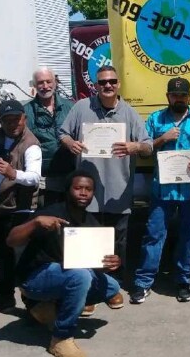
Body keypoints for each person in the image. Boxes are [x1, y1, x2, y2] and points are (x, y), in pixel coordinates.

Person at [8, 170, 123, 357]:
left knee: (112, 286)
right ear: (68, 190)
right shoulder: (50, 213)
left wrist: (111, 263)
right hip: (35, 278)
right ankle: (60, 337)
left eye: (88, 189)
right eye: (78, 188)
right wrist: (35, 223)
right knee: (80, 276)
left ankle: (48, 307)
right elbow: (11, 240)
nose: (83, 193)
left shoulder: (92, 223)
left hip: (64, 276)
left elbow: (94, 263)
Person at [59, 65, 153, 273]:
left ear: (118, 84)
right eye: (102, 82)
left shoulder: (129, 112)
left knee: (116, 242)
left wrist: (134, 146)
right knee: (85, 239)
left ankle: (112, 286)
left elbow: (148, 145)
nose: (108, 85)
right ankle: (88, 285)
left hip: (117, 192)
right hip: (86, 192)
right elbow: (63, 133)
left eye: (111, 81)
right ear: (95, 86)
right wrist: (69, 143)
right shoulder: (82, 107)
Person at [130, 77, 190, 304]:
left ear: (189, 97)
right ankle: (143, 282)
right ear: (168, 97)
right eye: (175, 95)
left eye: (183, 95)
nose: (179, 98)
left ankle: (184, 281)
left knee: (189, 236)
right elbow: (143, 151)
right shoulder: (155, 119)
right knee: (154, 235)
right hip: (161, 190)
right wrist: (162, 139)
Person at [0, 99, 42, 314]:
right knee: (2, 256)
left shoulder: (31, 144)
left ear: (24, 118)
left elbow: (34, 178)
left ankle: (32, 303)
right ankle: (4, 298)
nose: (12, 124)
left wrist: (12, 173)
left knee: (23, 258)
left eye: (16, 119)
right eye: (7, 120)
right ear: (1, 120)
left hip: (21, 210)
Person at [24, 67, 75, 206]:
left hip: (70, 172)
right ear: (34, 85)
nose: (45, 86)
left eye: (48, 81)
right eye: (40, 82)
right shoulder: (26, 111)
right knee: (48, 214)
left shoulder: (71, 106)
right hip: (45, 177)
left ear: (55, 82)